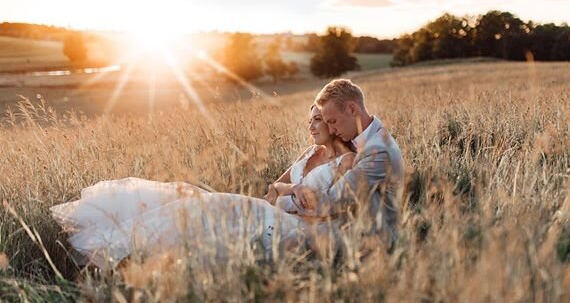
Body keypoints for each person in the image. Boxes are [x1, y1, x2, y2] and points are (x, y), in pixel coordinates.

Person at [50, 105, 355, 270]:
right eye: (310, 119)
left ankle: (129, 255)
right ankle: (121, 247)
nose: (311, 125)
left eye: (318, 119)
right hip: (270, 211)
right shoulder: (308, 153)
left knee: (207, 208)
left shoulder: (347, 159)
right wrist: (288, 191)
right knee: (195, 200)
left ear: (334, 121)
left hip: (300, 228)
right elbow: (273, 190)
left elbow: (334, 207)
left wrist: (299, 197)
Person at [289, 78, 404, 253]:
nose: (332, 131)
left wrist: (284, 202)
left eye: (333, 122)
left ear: (351, 109)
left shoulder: (378, 151)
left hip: (371, 241)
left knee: (283, 239)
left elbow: (331, 202)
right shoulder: (365, 139)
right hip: (345, 227)